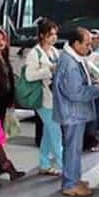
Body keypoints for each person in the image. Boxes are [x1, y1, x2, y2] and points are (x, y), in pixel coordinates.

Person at [53, 27, 99, 197]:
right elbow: (76, 93)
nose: (89, 48)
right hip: (72, 112)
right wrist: (98, 89)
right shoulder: (69, 63)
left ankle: (74, 178)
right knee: (72, 148)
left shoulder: (74, 58)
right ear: (75, 43)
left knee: (74, 148)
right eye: (87, 44)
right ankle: (70, 184)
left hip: (75, 112)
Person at [25, 19, 62, 176]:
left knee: (49, 132)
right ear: (42, 35)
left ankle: (44, 163)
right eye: (50, 34)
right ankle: (66, 168)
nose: (54, 37)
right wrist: (49, 70)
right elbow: (29, 76)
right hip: (43, 99)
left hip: (54, 97)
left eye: (55, 34)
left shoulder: (54, 51)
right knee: (56, 134)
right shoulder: (34, 53)